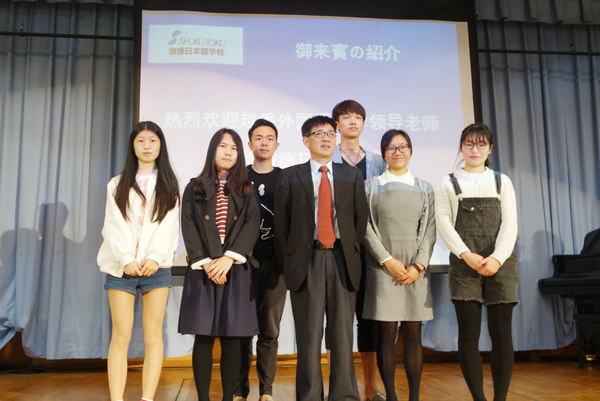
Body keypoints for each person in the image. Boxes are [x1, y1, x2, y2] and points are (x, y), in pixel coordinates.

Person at [274, 115, 368, 401]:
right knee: (308, 336)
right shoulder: (290, 175)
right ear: (306, 140)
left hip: (342, 260)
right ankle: (310, 396)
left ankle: (345, 396)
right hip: (307, 261)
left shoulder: (351, 175)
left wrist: (348, 249)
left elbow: (359, 221)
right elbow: (282, 226)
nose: (326, 138)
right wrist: (291, 260)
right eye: (319, 133)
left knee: (342, 336)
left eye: (330, 133)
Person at [435, 123, 519, 401]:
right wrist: (466, 255)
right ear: (461, 147)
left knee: (502, 334)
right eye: (469, 144)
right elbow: (444, 224)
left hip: (501, 263)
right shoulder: (447, 182)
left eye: (481, 144)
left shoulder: (502, 181)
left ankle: (500, 398)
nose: (474, 149)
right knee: (469, 334)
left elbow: (510, 224)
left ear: (490, 148)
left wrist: (497, 258)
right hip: (464, 264)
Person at [97, 121, 180, 401]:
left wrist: (155, 258)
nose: (146, 146)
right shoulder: (117, 184)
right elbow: (113, 225)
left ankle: (147, 398)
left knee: (152, 335)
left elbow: (169, 226)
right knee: (120, 335)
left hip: (157, 267)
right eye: (141, 140)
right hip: (121, 267)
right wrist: (126, 259)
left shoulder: (170, 184)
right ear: (133, 145)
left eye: (152, 140)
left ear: (160, 145)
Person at [178, 128, 261, 401]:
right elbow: (189, 226)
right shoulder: (194, 187)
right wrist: (209, 263)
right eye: (223, 146)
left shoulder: (247, 188)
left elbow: (252, 224)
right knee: (203, 337)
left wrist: (228, 259)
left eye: (234, 148)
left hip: (234, 268)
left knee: (232, 337)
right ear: (213, 149)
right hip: (203, 269)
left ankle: (228, 398)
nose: (228, 152)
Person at [362, 130, 436, 401]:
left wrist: (419, 265)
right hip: (383, 268)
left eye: (403, 147)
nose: (397, 152)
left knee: (413, 333)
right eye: (391, 148)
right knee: (387, 332)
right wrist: (387, 260)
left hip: (415, 270)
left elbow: (430, 230)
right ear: (383, 154)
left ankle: (414, 396)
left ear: (411, 151)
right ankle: (391, 396)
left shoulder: (425, 187)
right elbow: (365, 228)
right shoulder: (370, 186)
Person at [330, 99, 387, 401]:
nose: (352, 121)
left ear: (363, 123)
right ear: (336, 124)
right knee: (337, 320)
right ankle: (339, 385)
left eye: (358, 117)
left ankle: (370, 386)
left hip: (370, 250)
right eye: (346, 117)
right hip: (336, 249)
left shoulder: (377, 161)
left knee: (368, 319)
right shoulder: (327, 157)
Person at [234, 119, 287, 401]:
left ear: (277, 145)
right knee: (242, 331)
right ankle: (239, 390)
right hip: (242, 265)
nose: (264, 142)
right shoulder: (238, 178)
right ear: (249, 143)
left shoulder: (286, 178)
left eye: (269, 138)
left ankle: (266, 391)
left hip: (276, 266)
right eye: (258, 138)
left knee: (269, 331)